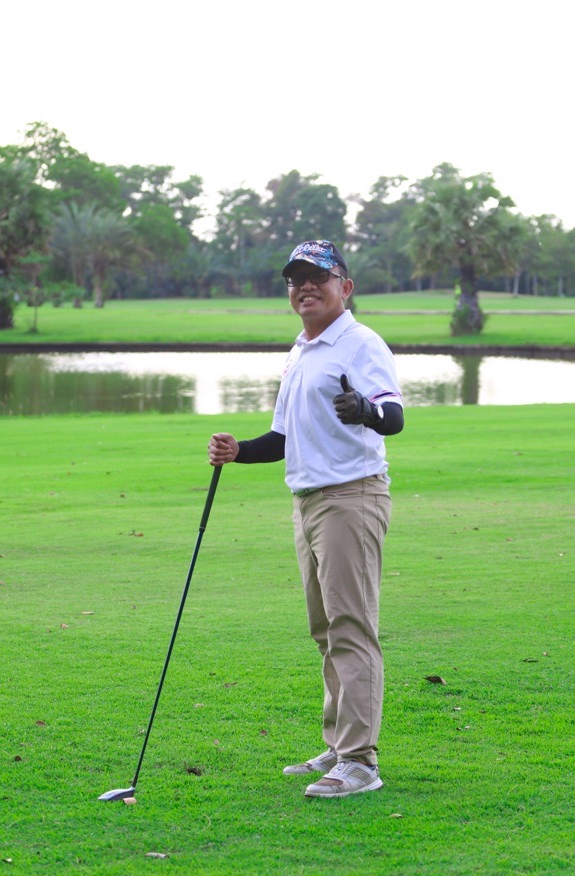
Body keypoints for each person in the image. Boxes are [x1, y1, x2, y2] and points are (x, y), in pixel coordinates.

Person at [207, 239, 404, 799]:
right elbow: (283, 437)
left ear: (346, 286)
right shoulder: (301, 350)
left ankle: (361, 761)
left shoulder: (360, 343)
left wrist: (366, 410)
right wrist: (239, 451)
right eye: (296, 279)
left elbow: (392, 415)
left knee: (351, 627)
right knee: (325, 630)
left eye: (318, 277)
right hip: (308, 501)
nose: (306, 287)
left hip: (351, 497)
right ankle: (340, 746)